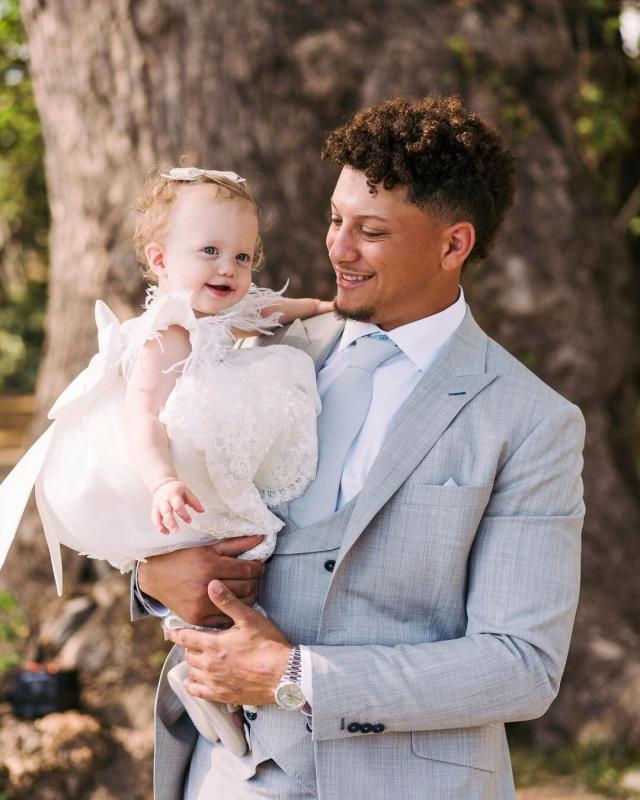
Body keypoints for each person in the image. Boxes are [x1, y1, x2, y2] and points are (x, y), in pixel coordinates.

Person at [134, 96, 586, 800]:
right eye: (335, 219)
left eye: (370, 231)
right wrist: (155, 580)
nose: (337, 248)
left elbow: (521, 665)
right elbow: (163, 488)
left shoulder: (531, 421)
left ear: (452, 245)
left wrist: (296, 678)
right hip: (224, 772)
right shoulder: (259, 344)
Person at [0, 165, 335, 752]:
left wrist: (330, 307)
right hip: (169, 476)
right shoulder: (163, 334)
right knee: (215, 583)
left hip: (210, 469)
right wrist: (161, 483)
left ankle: (211, 678)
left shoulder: (229, 313)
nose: (228, 268)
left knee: (247, 555)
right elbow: (143, 419)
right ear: (159, 261)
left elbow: (276, 311)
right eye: (209, 250)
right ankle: (206, 685)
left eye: (243, 256)